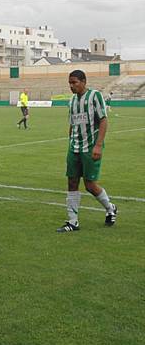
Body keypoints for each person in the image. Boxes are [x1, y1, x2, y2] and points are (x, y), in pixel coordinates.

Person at [57, 70, 117, 232]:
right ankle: (72, 221)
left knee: (90, 185)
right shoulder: (72, 101)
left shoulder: (94, 96)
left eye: (74, 82)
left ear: (84, 81)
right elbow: (72, 123)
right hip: (74, 147)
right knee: (72, 181)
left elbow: (103, 121)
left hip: (90, 147)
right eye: (70, 83)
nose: (71, 86)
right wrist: (70, 141)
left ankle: (110, 208)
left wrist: (98, 145)